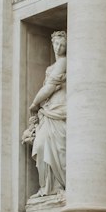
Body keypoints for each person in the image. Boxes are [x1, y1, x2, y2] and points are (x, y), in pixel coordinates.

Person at [23, 32, 67, 199]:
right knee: (41, 145)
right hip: (49, 110)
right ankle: (47, 187)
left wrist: (34, 104)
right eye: (56, 44)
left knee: (58, 147)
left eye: (62, 45)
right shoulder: (52, 66)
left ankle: (57, 185)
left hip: (59, 108)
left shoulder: (64, 62)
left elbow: (49, 88)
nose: (58, 48)